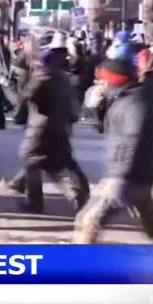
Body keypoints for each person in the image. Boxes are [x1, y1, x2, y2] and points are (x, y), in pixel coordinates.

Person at [74, 59, 153, 261]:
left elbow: (134, 138)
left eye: (102, 80)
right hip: (132, 173)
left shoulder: (136, 102)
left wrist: (121, 174)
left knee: (89, 220)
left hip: (126, 174)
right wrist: (96, 107)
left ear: (113, 79)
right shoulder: (123, 98)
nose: (99, 84)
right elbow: (105, 128)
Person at [12, 40, 90, 215]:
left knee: (31, 160)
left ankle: (38, 203)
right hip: (59, 126)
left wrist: (7, 85)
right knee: (53, 163)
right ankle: (75, 193)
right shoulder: (62, 77)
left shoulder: (42, 76)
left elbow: (23, 99)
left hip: (40, 128)